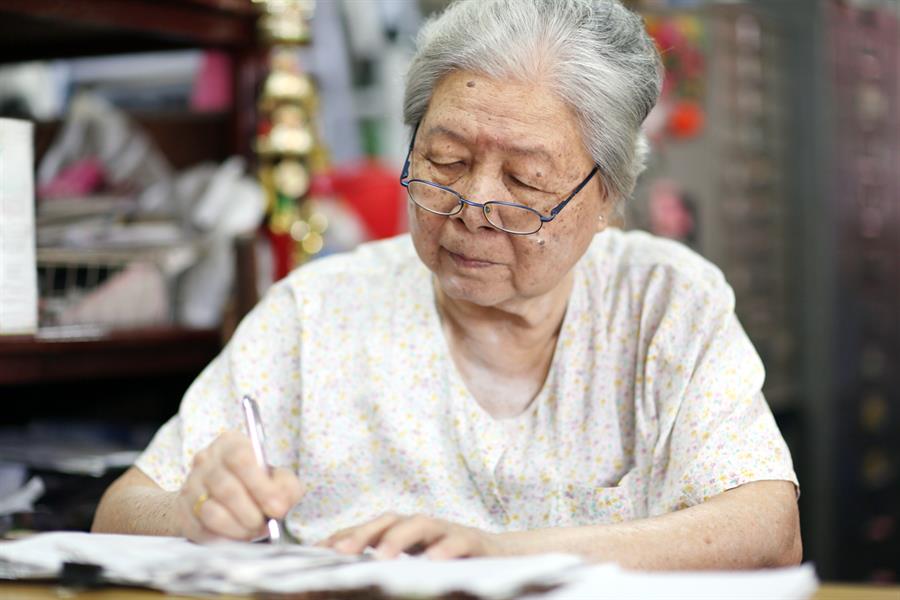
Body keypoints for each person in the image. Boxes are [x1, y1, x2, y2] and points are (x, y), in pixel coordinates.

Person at [93, 0, 801, 569]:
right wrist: (193, 513)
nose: (472, 208)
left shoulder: (664, 301)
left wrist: (506, 557)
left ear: (609, 197)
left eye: (525, 182)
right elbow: (121, 512)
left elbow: (767, 526)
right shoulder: (319, 310)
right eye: (445, 160)